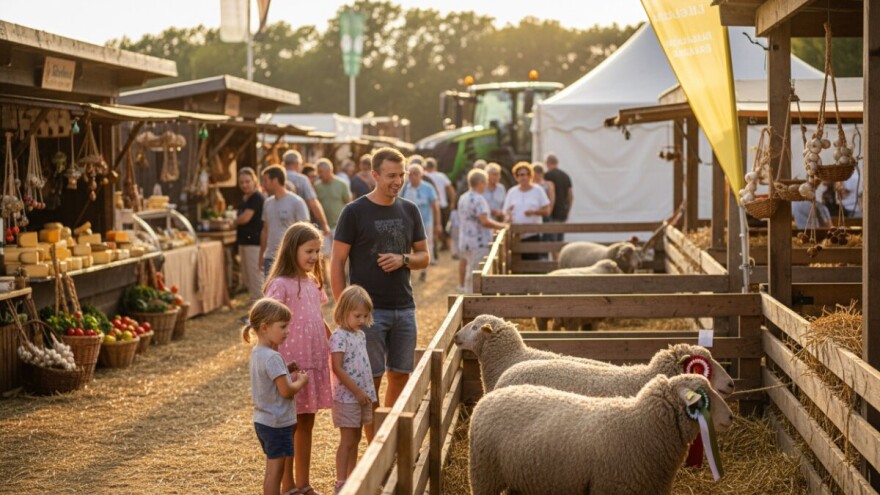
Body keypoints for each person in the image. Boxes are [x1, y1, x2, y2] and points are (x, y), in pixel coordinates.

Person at [330, 147, 429, 441]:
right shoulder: (354, 212)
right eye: (391, 176)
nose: (397, 181)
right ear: (374, 175)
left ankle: (388, 439)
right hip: (368, 315)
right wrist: (342, 309)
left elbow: (424, 256)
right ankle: (375, 447)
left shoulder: (410, 209)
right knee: (370, 380)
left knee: (400, 375)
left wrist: (404, 259)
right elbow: (337, 261)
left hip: (404, 308)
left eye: (402, 175)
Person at [263, 222, 333, 495]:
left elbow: (318, 318)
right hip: (291, 364)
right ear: (293, 250)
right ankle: (288, 485)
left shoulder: (313, 282)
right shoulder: (280, 285)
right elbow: (269, 322)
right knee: (290, 425)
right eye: (309, 251)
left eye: (317, 251)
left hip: (312, 363)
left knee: (307, 422)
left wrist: (334, 342)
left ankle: (304, 484)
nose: (314, 257)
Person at [243, 298, 309, 495]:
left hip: (262, 421)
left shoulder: (258, 353)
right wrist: (302, 381)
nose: (287, 331)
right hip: (277, 423)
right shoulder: (273, 357)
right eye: (283, 327)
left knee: (271, 469)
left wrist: (286, 369)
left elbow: (270, 378)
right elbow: (286, 390)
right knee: (275, 472)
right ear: (264, 327)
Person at [329, 285, 377, 494]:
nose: (361, 320)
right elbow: (337, 367)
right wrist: (356, 391)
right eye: (357, 315)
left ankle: (352, 477)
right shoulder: (339, 336)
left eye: (365, 316)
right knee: (347, 439)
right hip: (347, 397)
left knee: (356, 438)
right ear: (343, 311)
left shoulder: (359, 335)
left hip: (362, 396)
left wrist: (365, 392)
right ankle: (341, 481)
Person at [458, 169, 508, 292]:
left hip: (466, 241)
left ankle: (469, 297)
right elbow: (484, 221)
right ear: (480, 183)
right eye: (485, 182)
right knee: (476, 274)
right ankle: (472, 301)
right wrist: (502, 226)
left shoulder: (463, 197)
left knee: (471, 272)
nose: (486, 185)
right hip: (478, 242)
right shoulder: (479, 199)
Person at [260, 165, 309, 276]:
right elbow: (265, 230)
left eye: (266, 180)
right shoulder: (267, 203)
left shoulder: (297, 202)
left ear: (275, 180)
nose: (263, 184)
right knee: (269, 292)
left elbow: (306, 232)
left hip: (290, 258)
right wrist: (261, 255)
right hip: (270, 258)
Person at [400, 163, 441, 281]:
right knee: (406, 246)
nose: (412, 176)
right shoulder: (405, 188)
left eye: (415, 174)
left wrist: (438, 224)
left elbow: (435, 206)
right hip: (407, 222)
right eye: (410, 174)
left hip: (425, 221)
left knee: (426, 246)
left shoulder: (428, 188)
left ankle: (424, 271)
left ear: (421, 175)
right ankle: (408, 270)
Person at [503, 161, 551, 260]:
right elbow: (506, 212)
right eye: (520, 175)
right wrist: (508, 217)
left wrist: (534, 212)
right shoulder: (512, 192)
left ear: (531, 176)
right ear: (516, 177)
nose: (523, 177)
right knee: (516, 264)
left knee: (532, 263)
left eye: (526, 174)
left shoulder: (538, 190)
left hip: (533, 233)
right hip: (516, 235)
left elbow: (547, 210)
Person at [282, 150, 331, 239]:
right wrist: (324, 226)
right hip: (298, 223)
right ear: (297, 164)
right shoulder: (302, 179)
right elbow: (313, 203)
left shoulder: (277, 178)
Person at [236, 167, 265, 306]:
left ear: (254, 181)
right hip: (245, 242)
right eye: (241, 182)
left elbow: (246, 217)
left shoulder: (256, 197)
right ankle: (256, 308)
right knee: (248, 278)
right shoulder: (246, 198)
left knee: (255, 277)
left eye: (247, 181)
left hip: (254, 242)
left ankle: (260, 307)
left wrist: (232, 223)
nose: (244, 185)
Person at [314, 158, 352, 259]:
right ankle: (326, 275)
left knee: (339, 255)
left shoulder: (341, 184)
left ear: (329, 170)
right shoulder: (317, 186)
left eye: (320, 172)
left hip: (339, 225)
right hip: (323, 226)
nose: (319, 174)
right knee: (323, 256)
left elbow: (349, 204)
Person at [424, 157, 456, 254]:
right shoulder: (441, 176)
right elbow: (451, 189)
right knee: (441, 225)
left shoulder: (424, 176)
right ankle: (442, 244)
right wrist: (452, 202)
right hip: (442, 204)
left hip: (429, 206)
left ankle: (438, 245)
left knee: (433, 226)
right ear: (435, 166)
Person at [543, 153, 573, 243]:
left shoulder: (547, 175)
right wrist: (567, 210)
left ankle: (555, 257)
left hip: (552, 213)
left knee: (552, 241)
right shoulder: (565, 176)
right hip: (562, 212)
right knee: (560, 240)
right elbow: (570, 195)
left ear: (547, 163)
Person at [532, 163, 556, 246]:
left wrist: (549, 210)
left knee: (549, 237)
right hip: (534, 214)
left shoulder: (548, 184)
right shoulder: (531, 185)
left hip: (545, 213)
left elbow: (551, 199)